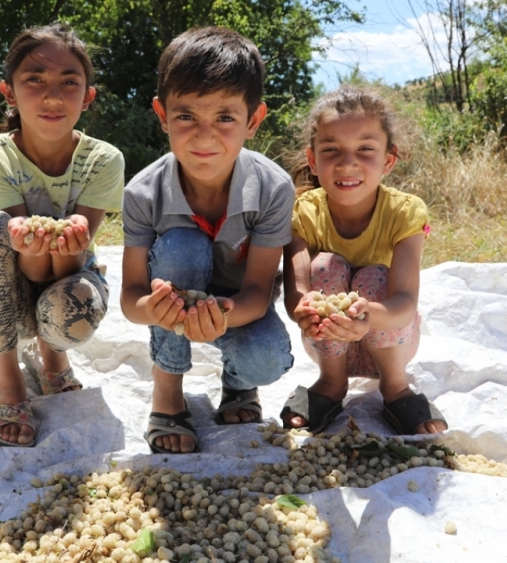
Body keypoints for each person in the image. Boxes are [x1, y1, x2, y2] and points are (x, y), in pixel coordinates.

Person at [121, 27, 295, 454]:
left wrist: (220, 314)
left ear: (253, 121)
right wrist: (154, 309)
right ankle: (167, 394)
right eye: (186, 117)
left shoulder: (273, 188)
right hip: (173, 305)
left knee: (269, 358)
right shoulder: (143, 193)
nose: (204, 136)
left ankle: (239, 386)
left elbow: (257, 291)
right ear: (162, 115)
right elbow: (130, 296)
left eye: (225, 118)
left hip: (237, 307)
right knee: (182, 245)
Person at [0, 23, 124, 447]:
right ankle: (9, 380)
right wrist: (32, 245)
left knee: (73, 310)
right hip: (10, 293)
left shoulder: (103, 160)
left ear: (87, 97)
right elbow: (26, 266)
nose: (53, 97)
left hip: (71, 278)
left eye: (69, 82)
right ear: (9, 93)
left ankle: (54, 356)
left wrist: (70, 246)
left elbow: (74, 261)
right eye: (34, 79)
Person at [280, 84, 448, 436]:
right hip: (327, 343)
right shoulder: (303, 211)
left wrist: (365, 317)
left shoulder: (405, 212)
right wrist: (305, 309)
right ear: (313, 160)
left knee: (374, 277)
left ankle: (396, 387)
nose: (347, 162)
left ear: (388, 160)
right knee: (325, 265)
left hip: (390, 342)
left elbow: (404, 302)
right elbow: (296, 287)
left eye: (365, 149)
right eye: (331, 149)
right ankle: (331, 383)